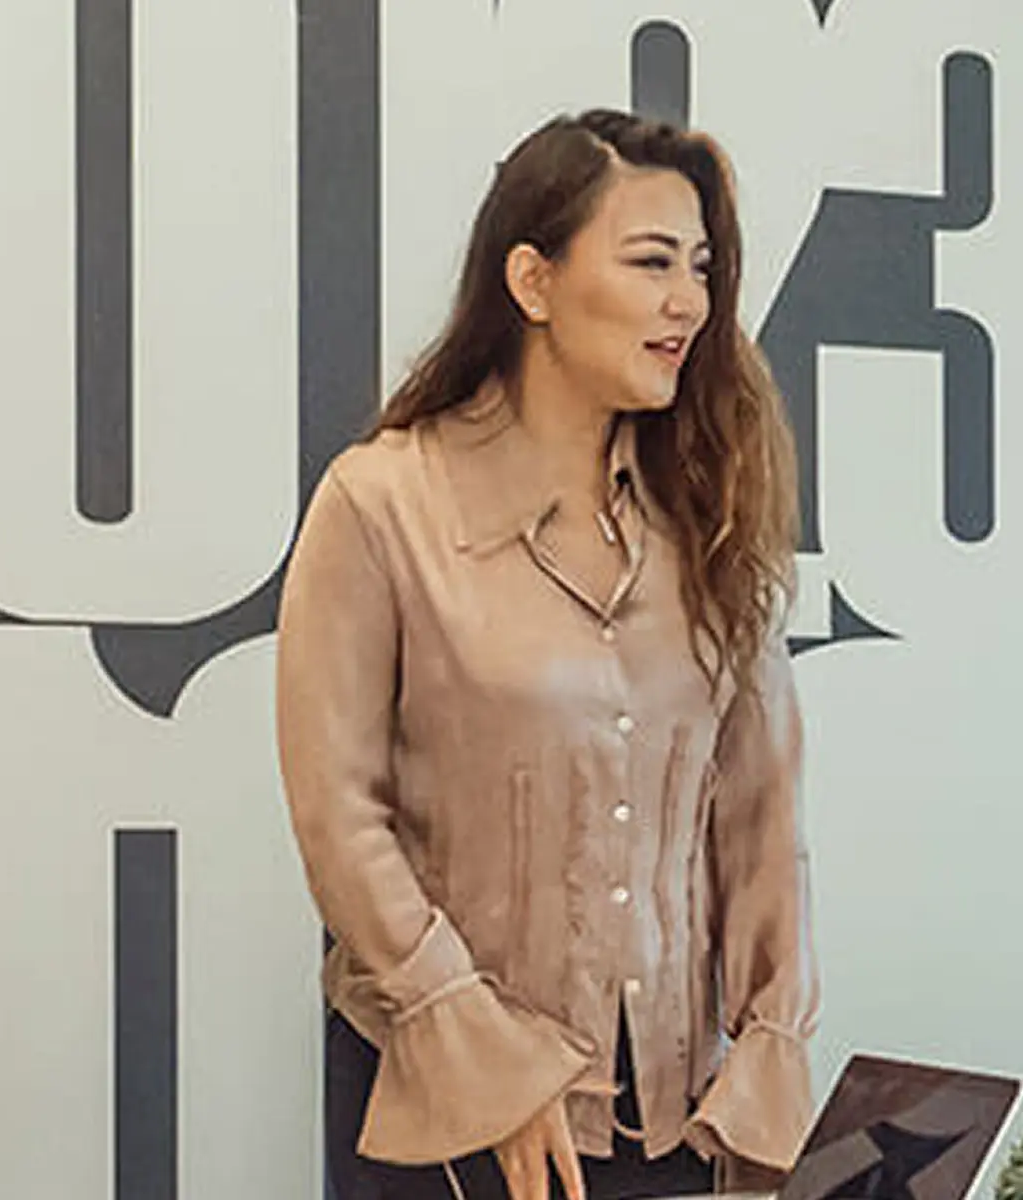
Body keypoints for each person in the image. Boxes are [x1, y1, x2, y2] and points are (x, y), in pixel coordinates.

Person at [276, 109, 817, 1200]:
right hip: (450, 1116)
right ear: (532, 280)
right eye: (651, 262)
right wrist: (489, 1066)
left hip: (676, 1121)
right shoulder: (381, 503)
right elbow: (339, 817)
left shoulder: (710, 518)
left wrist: (767, 1063)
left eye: (701, 268)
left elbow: (760, 826)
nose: (689, 303)